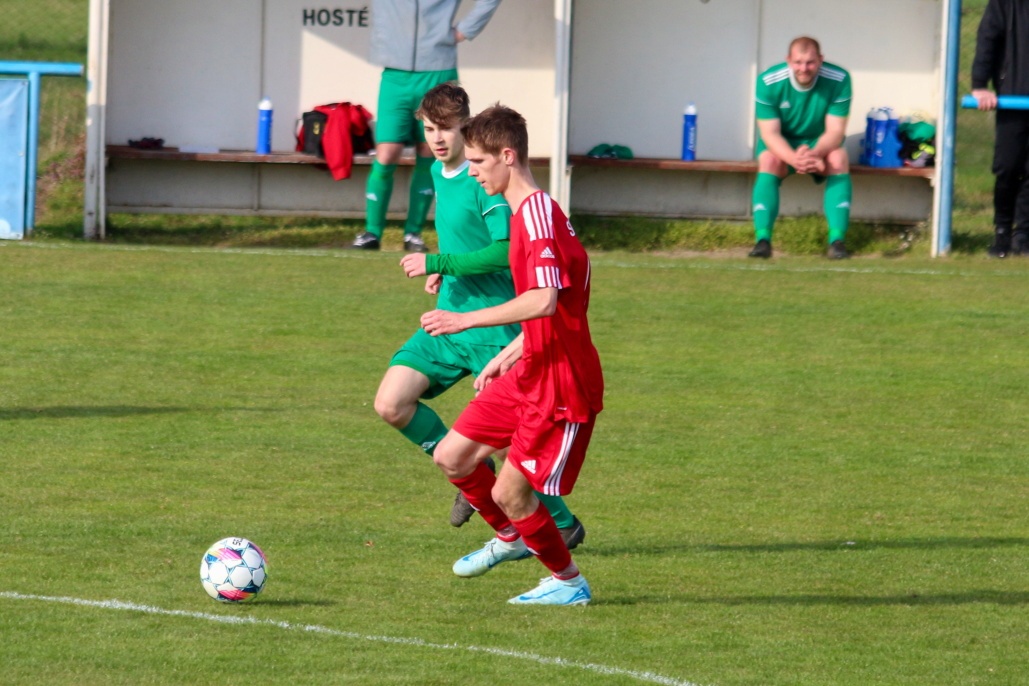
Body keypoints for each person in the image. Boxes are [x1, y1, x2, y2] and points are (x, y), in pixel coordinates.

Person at [375, 83, 586, 549]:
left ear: (466, 127)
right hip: (447, 320)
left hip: (493, 326)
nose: (437, 138)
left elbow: (504, 250)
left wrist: (439, 261)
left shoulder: (485, 181)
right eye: (429, 129)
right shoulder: (440, 170)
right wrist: (445, 271)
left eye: (447, 129)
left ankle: (561, 523)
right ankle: (477, 478)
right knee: (391, 403)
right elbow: (462, 236)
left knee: (513, 441)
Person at [420, 104, 603, 606]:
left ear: (507, 156)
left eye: (479, 162)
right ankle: (511, 536)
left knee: (509, 492)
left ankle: (568, 582)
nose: (472, 172)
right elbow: (564, 304)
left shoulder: (538, 217)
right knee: (452, 455)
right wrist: (514, 351)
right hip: (530, 367)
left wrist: (465, 320)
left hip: (561, 383)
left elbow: (545, 300)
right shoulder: (528, 215)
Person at [350, 0, 504, 253]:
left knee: (429, 150)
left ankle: (413, 233)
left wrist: (465, 29)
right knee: (386, 153)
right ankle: (372, 232)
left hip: (438, 68)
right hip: (395, 73)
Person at [749, 36, 853, 260]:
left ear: (821, 60)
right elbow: (770, 134)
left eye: (810, 62)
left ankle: (837, 241)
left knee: (838, 158)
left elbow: (835, 131)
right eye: (798, 62)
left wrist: (814, 153)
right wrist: (794, 158)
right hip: (783, 142)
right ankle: (763, 240)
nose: (803, 69)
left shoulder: (840, 79)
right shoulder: (767, 81)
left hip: (820, 142)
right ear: (788, 60)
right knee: (768, 160)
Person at [971, 0, 1029, 258]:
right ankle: (1002, 232)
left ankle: (1023, 235)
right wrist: (979, 84)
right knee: (1008, 167)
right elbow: (988, 36)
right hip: (1012, 98)